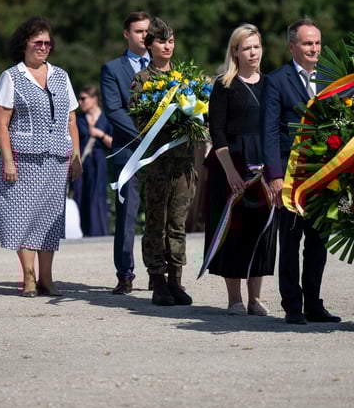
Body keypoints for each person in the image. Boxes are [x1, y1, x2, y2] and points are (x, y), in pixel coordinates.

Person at [0, 17, 82, 297]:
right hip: (24, 159)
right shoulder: (11, 76)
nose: (44, 47)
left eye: (47, 43)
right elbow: (1, 123)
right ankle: (29, 277)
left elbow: (71, 119)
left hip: (57, 158)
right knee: (22, 217)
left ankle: (47, 279)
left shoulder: (61, 76)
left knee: (49, 219)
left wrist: (75, 155)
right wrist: (8, 160)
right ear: (24, 44)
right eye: (38, 42)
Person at [260, 18, 340, 324]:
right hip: (290, 175)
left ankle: (314, 303)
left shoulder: (331, 78)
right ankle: (293, 305)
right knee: (291, 243)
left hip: (322, 174)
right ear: (292, 46)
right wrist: (274, 176)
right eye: (308, 43)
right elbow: (269, 131)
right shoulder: (276, 81)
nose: (314, 49)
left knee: (318, 242)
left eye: (317, 43)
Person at [204, 24, 276, 315]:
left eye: (256, 46)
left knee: (261, 230)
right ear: (235, 51)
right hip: (231, 163)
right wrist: (230, 171)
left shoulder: (271, 84)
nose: (253, 53)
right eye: (246, 48)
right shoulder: (224, 85)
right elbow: (217, 131)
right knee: (233, 231)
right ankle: (234, 298)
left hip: (263, 164)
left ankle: (255, 299)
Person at [129, 16, 196, 306]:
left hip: (183, 163)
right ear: (149, 45)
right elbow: (139, 120)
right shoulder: (143, 80)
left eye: (170, 41)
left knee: (178, 223)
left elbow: (200, 112)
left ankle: (175, 280)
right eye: (161, 41)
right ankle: (157, 278)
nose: (167, 46)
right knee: (157, 222)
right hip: (157, 163)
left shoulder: (185, 78)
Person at [100, 11, 150, 294]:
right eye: (139, 31)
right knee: (127, 214)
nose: (144, 36)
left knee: (158, 214)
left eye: (147, 31)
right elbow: (114, 110)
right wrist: (145, 136)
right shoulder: (112, 69)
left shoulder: (163, 66)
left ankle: (158, 271)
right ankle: (125, 274)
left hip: (160, 153)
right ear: (126, 34)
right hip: (128, 151)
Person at [72, 84, 112, 237]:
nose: (80, 102)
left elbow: (114, 144)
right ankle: (79, 231)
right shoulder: (78, 120)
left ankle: (98, 232)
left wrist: (100, 135)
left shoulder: (106, 119)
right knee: (79, 194)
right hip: (81, 162)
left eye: (83, 98)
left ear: (94, 99)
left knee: (97, 195)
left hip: (98, 162)